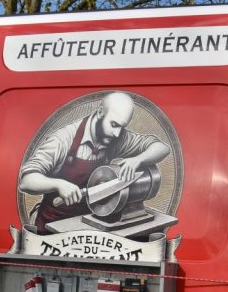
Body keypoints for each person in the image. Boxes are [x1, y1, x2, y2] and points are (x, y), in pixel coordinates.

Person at [19, 91, 171, 233]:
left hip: (89, 226)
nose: (117, 133)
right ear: (99, 113)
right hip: (52, 229)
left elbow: (162, 148)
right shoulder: (63, 139)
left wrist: (138, 160)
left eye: (122, 127)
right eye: (114, 124)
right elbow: (26, 181)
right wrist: (58, 184)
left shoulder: (117, 137)